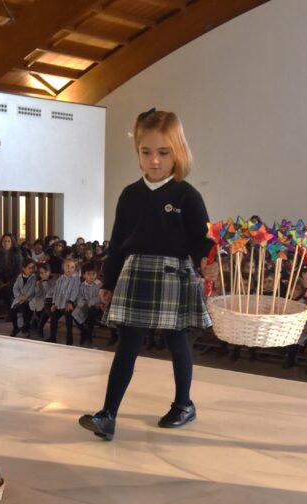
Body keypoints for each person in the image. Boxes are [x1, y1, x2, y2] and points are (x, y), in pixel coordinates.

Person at [79, 108, 217, 440]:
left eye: (163, 152)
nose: (154, 160)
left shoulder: (187, 195)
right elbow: (118, 242)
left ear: (178, 152)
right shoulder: (129, 195)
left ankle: (184, 404)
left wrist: (207, 262)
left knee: (178, 341)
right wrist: (109, 281)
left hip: (173, 274)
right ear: (138, 152)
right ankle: (108, 414)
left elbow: (202, 241)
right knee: (128, 342)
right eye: (146, 152)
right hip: (136, 271)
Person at [47, 257, 81, 344]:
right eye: (67, 266)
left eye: (72, 267)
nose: (69, 268)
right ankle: (52, 337)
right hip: (59, 303)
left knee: (68, 319)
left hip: (70, 303)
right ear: (63, 267)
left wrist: (70, 302)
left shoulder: (76, 279)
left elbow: (75, 291)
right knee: (53, 317)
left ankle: (69, 340)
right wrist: (54, 303)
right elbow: (56, 292)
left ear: (75, 268)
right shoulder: (60, 278)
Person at [74, 262, 103, 346]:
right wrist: (82, 304)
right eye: (88, 274)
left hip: (97, 307)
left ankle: (89, 334)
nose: (91, 276)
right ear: (84, 275)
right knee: (74, 312)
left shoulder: (99, 284)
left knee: (90, 312)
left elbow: (99, 297)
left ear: (96, 274)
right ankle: (83, 331)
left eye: (93, 273)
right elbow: (79, 297)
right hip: (85, 306)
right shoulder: (82, 285)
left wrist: (90, 303)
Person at [0, 232, 23, 314]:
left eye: (8, 241)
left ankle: (12, 312)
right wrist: (2, 281)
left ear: (12, 242)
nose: (6, 243)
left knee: (5, 290)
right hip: (4, 279)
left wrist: (8, 283)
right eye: (4, 241)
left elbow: (18, 271)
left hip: (15, 279)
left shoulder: (17, 253)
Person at [9, 259, 36, 337]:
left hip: (30, 298)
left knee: (26, 307)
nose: (31, 270)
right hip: (20, 298)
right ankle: (15, 328)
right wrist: (18, 296)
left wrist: (26, 296)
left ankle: (26, 326)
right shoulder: (19, 277)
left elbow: (32, 289)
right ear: (23, 268)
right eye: (29, 268)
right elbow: (15, 288)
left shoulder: (34, 277)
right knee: (13, 309)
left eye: (33, 268)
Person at [29, 262, 54, 338]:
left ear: (48, 272)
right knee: (45, 307)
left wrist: (45, 282)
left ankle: (40, 328)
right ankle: (38, 327)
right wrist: (37, 287)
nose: (43, 274)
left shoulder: (53, 281)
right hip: (44, 302)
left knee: (47, 308)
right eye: (41, 273)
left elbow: (51, 294)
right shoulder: (39, 282)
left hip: (52, 301)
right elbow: (38, 295)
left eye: (45, 272)